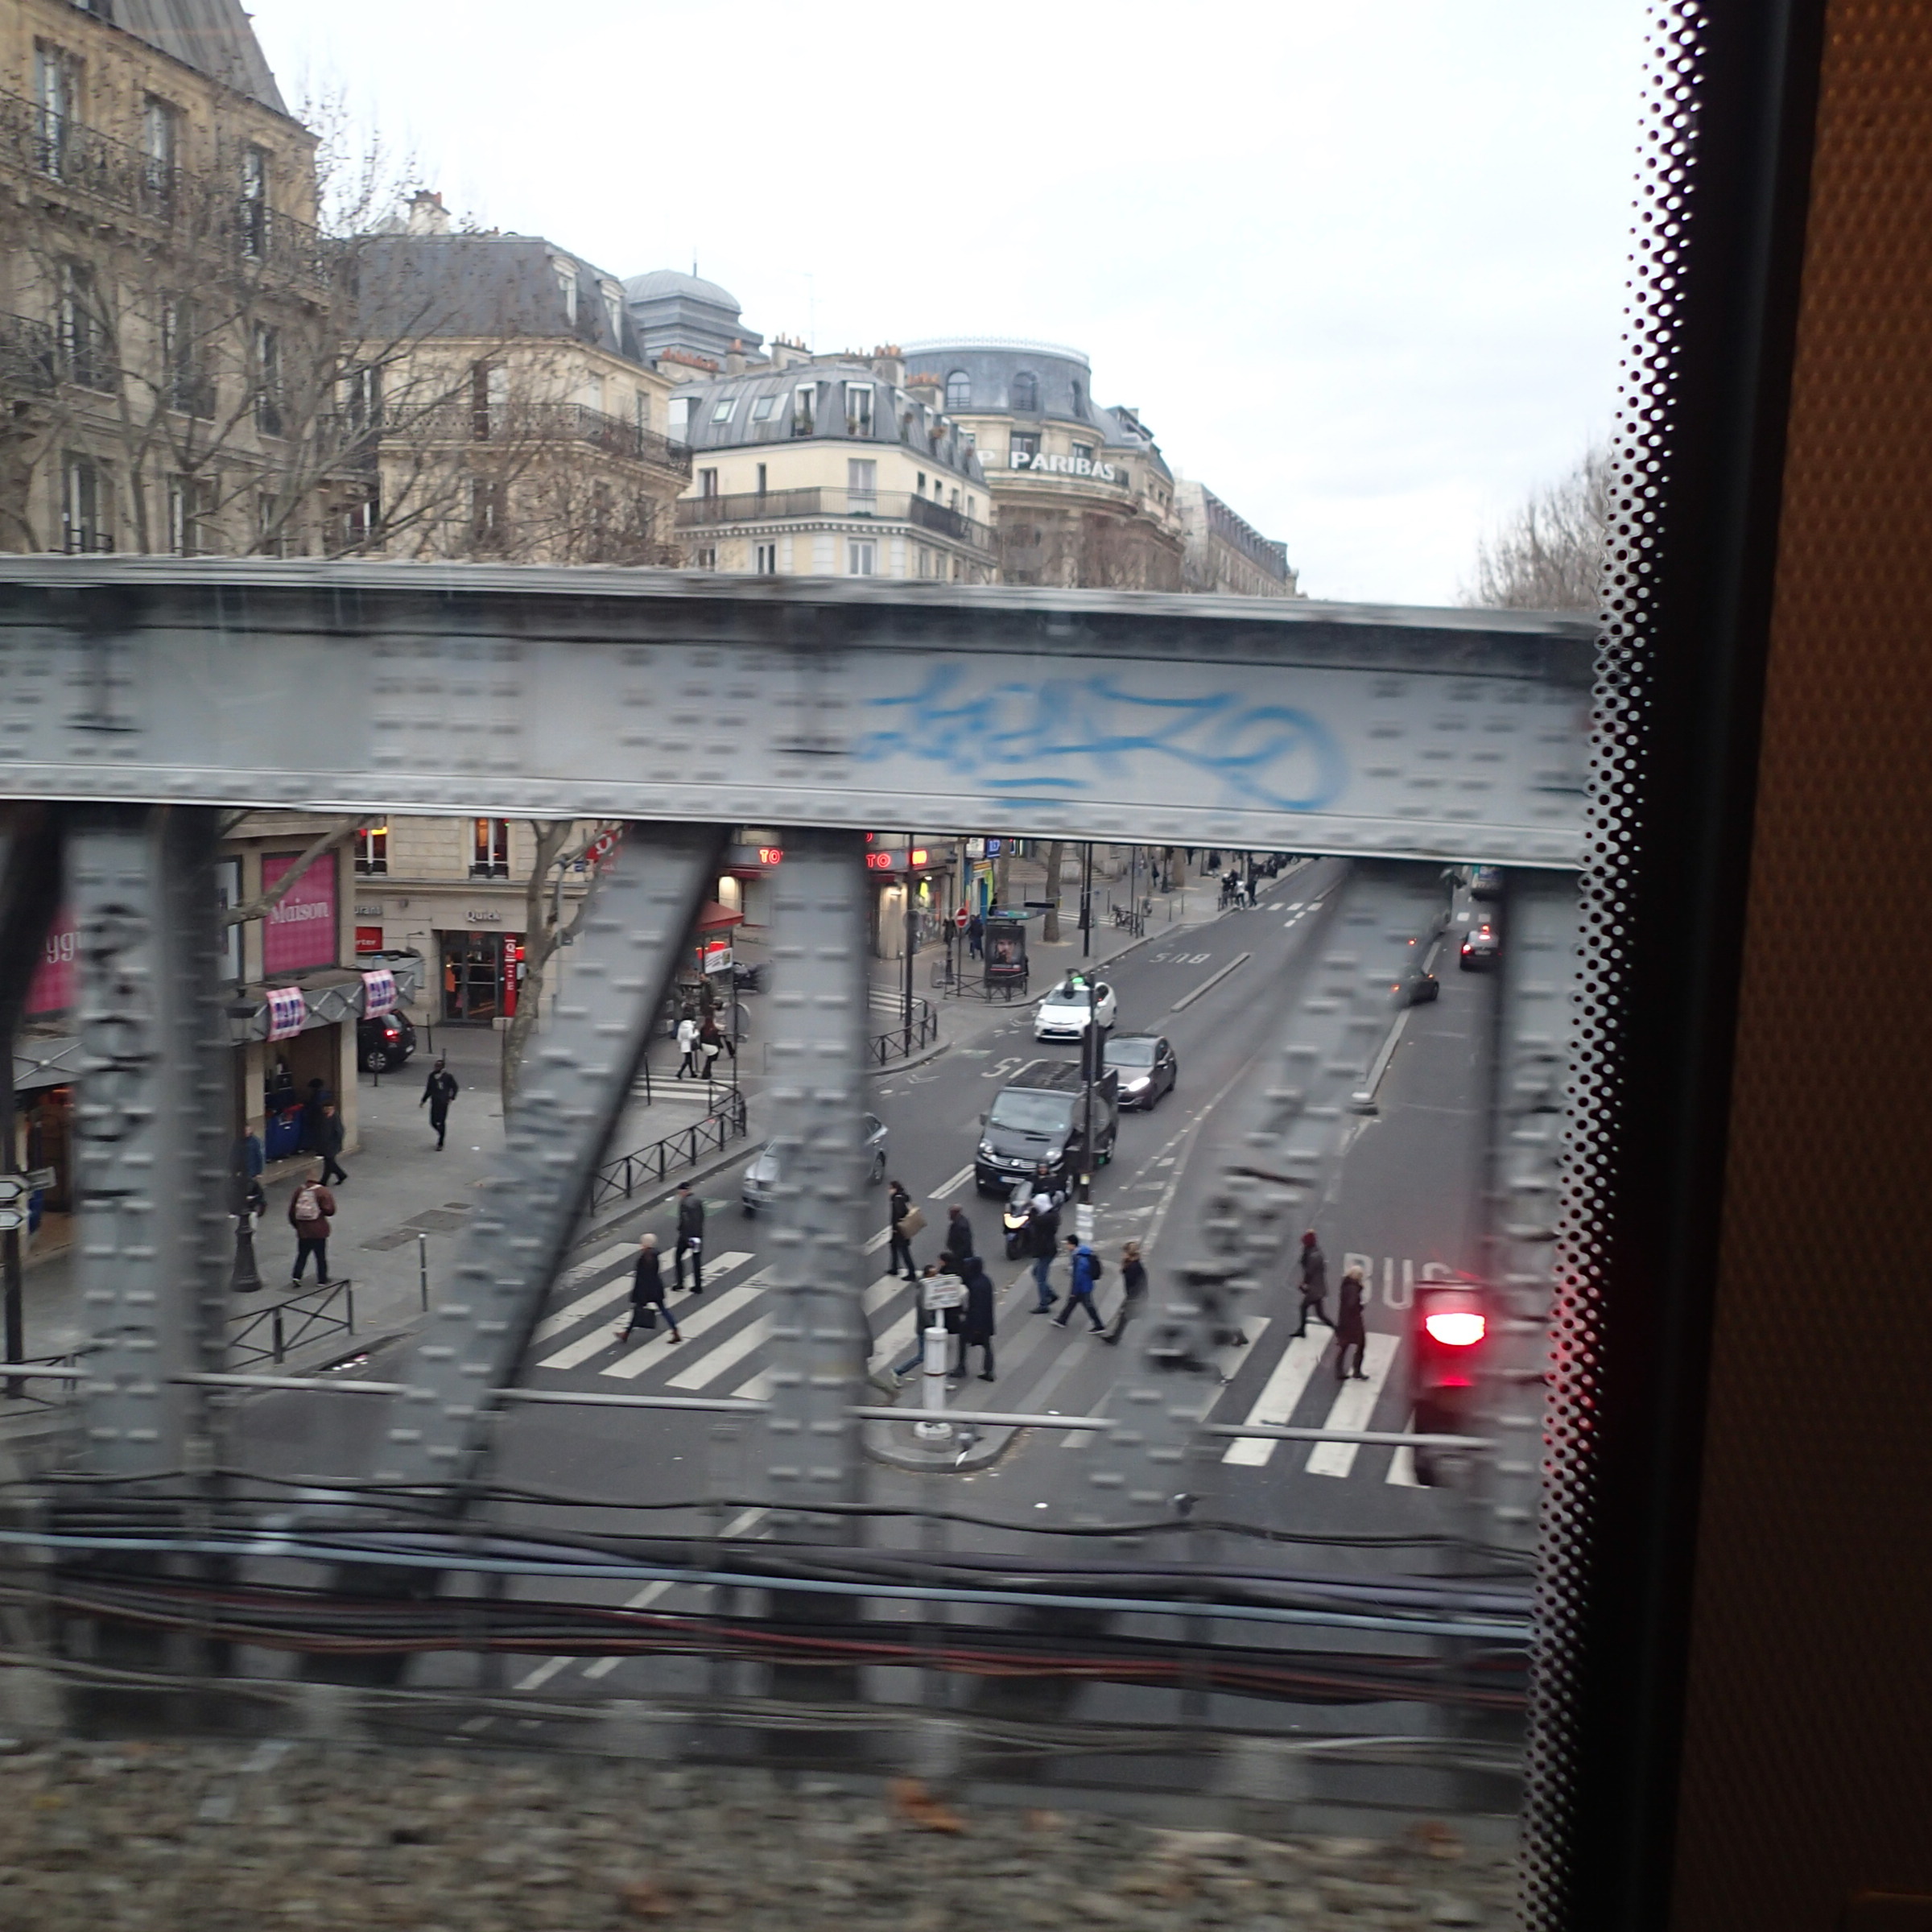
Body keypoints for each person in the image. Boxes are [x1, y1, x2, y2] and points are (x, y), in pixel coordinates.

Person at [617, 1232, 679, 1345]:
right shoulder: (655, 1255)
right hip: (656, 1287)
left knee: (637, 1310)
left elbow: (642, 1277)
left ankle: (626, 1334)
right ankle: (675, 1331)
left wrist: (639, 1293)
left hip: (645, 1290)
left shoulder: (645, 1257)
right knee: (663, 1310)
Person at [287, 1162, 336, 1286]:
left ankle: (297, 1276)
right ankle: (322, 1279)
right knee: (320, 1256)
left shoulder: (299, 1190)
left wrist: (298, 1226)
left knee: (302, 1255)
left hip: (303, 1231)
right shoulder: (322, 1191)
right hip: (319, 1230)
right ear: (317, 1177)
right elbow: (330, 1211)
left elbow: (292, 1212)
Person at [1054, 1232, 1106, 1332]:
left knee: (1088, 1306)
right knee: (1072, 1303)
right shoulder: (1082, 1252)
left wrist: (1074, 1291)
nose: (1066, 1246)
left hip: (1083, 1287)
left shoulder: (1079, 1258)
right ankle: (1062, 1320)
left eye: (1067, 1244)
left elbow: (1079, 1277)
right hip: (1085, 1285)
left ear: (1072, 1245)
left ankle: (1099, 1326)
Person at [956, 1252, 996, 1381]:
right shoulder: (985, 1280)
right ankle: (989, 1370)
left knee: (963, 1341)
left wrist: (976, 1327)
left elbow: (977, 1307)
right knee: (987, 1345)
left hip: (975, 1321)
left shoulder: (975, 1285)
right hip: (986, 1320)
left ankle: (961, 1367)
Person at [1026, 1173, 1062, 1312]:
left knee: (1041, 1277)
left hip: (1045, 1250)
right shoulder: (1050, 1215)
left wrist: (1032, 1210)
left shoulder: (1045, 1219)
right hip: (1046, 1249)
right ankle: (1050, 1294)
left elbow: (1035, 1221)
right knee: (1036, 1272)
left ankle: (1043, 1305)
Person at [1103, 1239, 1147, 1344]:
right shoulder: (1132, 1264)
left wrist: (1130, 1299)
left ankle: (1115, 1338)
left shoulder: (1134, 1267)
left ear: (1129, 1253)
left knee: (1127, 1316)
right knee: (1125, 1317)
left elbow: (1137, 1284)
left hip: (1136, 1297)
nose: (1122, 1254)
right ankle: (1115, 1338)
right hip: (1134, 1295)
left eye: (1124, 1252)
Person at [1293, 1230, 1333, 1337]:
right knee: (1320, 1314)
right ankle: (1337, 1330)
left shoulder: (1314, 1256)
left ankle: (1302, 1330)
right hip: (1317, 1288)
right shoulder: (1312, 1252)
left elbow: (1309, 1272)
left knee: (1303, 1307)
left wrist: (1304, 1284)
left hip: (1315, 1289)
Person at [1335, 1262, 1369, 1381]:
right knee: (1361, 1344)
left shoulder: (1346, 1285)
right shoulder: (1354, 1288)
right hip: (1353, 1322)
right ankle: (1357, 1370)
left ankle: (1339, 1370)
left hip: (1344, 1320)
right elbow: (1352, 1304)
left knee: (1345, 1345)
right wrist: (1360, 1307)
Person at [673, 1182, 704, 1293]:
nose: (679, 1195)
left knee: (678, 1256)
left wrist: (684, 1235)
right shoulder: (698, 1201)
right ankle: (698, 1286)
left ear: (683, 1191)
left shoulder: (684, 1203)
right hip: (698, 1235)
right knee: (696, 1260)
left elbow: (685, 1221)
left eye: (679, 1192)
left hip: (687, 1236)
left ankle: (680, 1283)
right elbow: (701, 1218)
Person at [420, 1059, 458, 1150]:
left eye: (438, 1066)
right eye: (436, 1066)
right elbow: (429, 1089)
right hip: (435, 1101)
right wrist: (424, 1100)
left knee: (441, 1121)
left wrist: (451, 1097)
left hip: (443, 1102)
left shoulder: (448, 1077)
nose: (436, 1067)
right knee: (433, 1121)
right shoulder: (432, 1076)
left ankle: (440, 1142)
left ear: (442, 1067)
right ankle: (440, 1132)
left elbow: (455, 1087)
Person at [887, 1179, 919, 1283]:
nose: (889, 1190)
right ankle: (894, 1268)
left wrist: (896, 1229)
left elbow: (899, 1214)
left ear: (895, 1189)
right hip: (901, 1229)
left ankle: (911, 1273)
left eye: (890, 1188)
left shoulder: (897, 1199)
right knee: (894, 1246)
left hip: (900, 1230)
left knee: (904, 1251)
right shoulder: (902, 1197)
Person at [316, 1102, 347, 1187]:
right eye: (325, 1109)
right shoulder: (324, 1117)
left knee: (329, 1163)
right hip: (326, 1145)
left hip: (332, 1145)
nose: (326, 1110)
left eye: (328, 1109)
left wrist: (336, 1143)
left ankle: (324, 1181)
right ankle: (341, 1175)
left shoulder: (334, 1118)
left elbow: (339, 1132)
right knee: (329, 1162)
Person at [942, 1203, 975, 1273]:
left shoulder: (961, 1226)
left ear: (955, 1213)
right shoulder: (959, 1221)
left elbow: (966, 1242)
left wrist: (958, 1254)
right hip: (959, 1253)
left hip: (962, 1255)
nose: (949, 1215)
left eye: (951, 1213)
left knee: (962, 1270)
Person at [299, 1077, 328, 1154]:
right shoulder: (325, 1094)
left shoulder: (317, 1095)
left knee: (317, 1132)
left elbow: (314, 1105)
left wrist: (306, 1105)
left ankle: (318, 1148)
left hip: (317, 1116)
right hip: (322, 1116)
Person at [675, 1011, 700, 1079]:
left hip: (683, 1044)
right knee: (687, 1060)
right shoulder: (690, 1027)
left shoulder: (681, 1027)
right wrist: (696, 1033)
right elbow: (690, 1037)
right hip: (689, 1045)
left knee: (689, 1059)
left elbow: (679, 1038)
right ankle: (680, 1072)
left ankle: (692, 1073)